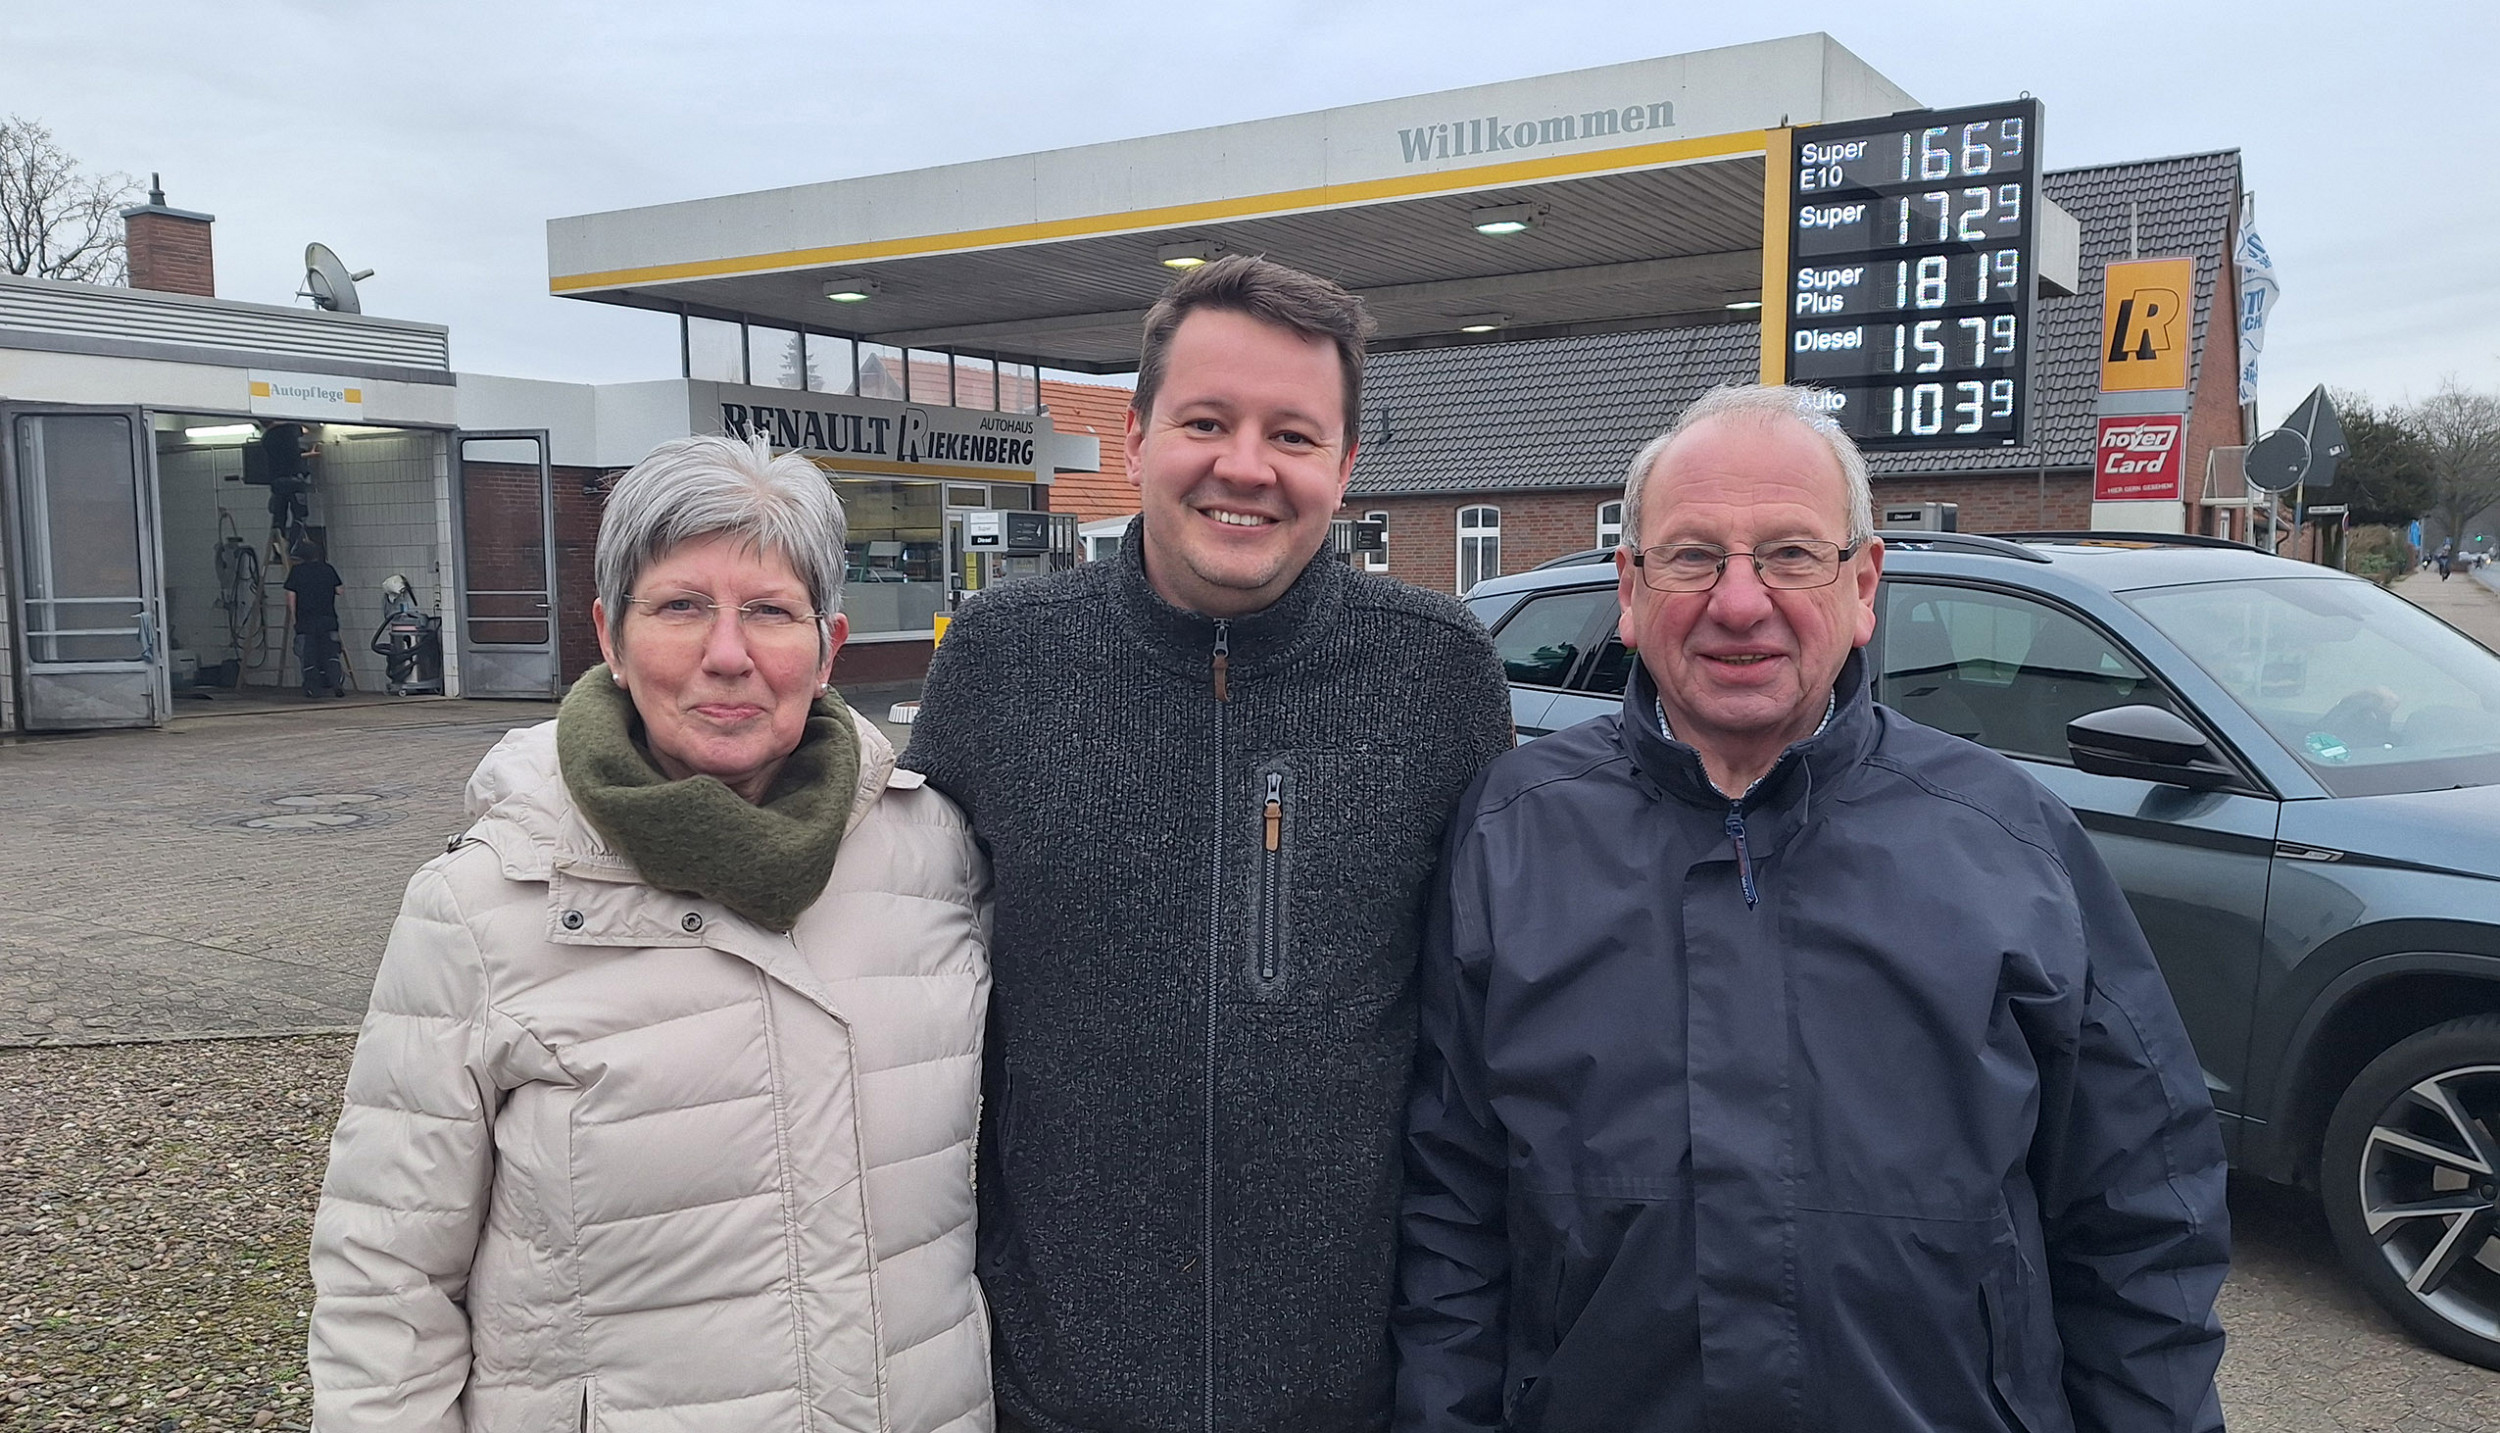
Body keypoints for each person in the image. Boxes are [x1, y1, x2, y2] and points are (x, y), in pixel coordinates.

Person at [1397, 385, 2229, 1433]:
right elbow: (1450, 1216)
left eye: (1790, 553)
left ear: (1863, 580)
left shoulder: (2010, 841)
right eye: (1694, 555)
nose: (1738, 602)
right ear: (1630, 585)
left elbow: (2142, 1217)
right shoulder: (1510, 832)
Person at [903, 255, 1514, 1433]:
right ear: (1134, 437)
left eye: (1292, 433)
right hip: (1047, 1393)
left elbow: (1473, 1048)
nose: (1245, 465)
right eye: (1205, 421)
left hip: (1346, 1396)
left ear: (1344, 466)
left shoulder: (1437, 672)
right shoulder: (999, 658)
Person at [309, 435, 994, 1431]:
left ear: (828, 644)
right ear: (613, 639)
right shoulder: (484, 901)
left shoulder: (928, 855)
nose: (729, 652)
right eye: (680, 606)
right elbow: (386, 1276)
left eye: (768, 609)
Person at [283, 540, 346, 698]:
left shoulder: (296, 572)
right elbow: (340, 590)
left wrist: (294, 619)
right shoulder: (328, 569)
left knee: (308, 656)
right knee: (331, 653)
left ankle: (312, 688)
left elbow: (291, 597)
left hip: (306, 621)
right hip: (328, 619)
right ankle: (336, 683)